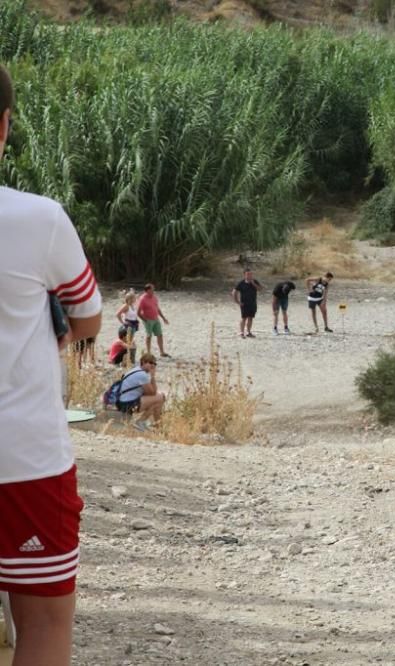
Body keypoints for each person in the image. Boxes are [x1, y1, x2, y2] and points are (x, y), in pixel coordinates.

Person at [0, 63, 103, 666]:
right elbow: (87, 317)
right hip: (25, 457)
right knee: (42, 621)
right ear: (5, 126)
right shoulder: (39, 218)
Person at [115, 353, 166, 430]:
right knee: (160, 398)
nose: (152, 365)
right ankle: (141, 422)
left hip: (122, 401)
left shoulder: (135, 370)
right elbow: (152, 392)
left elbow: (149, 392)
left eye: (154, 364)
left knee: (158, 403)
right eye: (150, 363)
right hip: (127, 404)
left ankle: (158, 427)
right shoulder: (142, 375)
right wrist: (152, 376)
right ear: (143, 362)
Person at [137, 282, 170, 357]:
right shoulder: (142, 299)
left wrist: (163, 318)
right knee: (149, 336)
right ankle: (148, 352)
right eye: (152, 289)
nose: (153, 291)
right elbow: (138, 312)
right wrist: (145, 320)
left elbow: (157, 308)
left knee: (160, 335)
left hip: (156, 319)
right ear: (147, 290)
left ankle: (162, 352)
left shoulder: (154, 297)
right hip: (148, 320)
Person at [232, 268, 262, 338]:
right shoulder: (241, 283)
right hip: (244, 304)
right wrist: (237, 302)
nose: (250, 276)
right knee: (244, 318)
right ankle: (241, 332)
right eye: (248, 274)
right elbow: (234, 292)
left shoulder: (255, 281)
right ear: (244, 275)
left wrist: (253, 283)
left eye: (251, 274)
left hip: (253, 303)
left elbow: (260, 289)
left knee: (250, 318)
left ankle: (248, 332)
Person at [115, 289, 139, 364]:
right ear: (130, 299)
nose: (135, 299)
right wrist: (123, 322)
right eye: (134, 298)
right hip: (128, 325)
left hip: (134, 324)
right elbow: (118, 314)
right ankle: (125, 358)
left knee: (131, 341)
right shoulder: (126, 306)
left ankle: (129, 357)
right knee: (127, 342)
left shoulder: (133, 306)